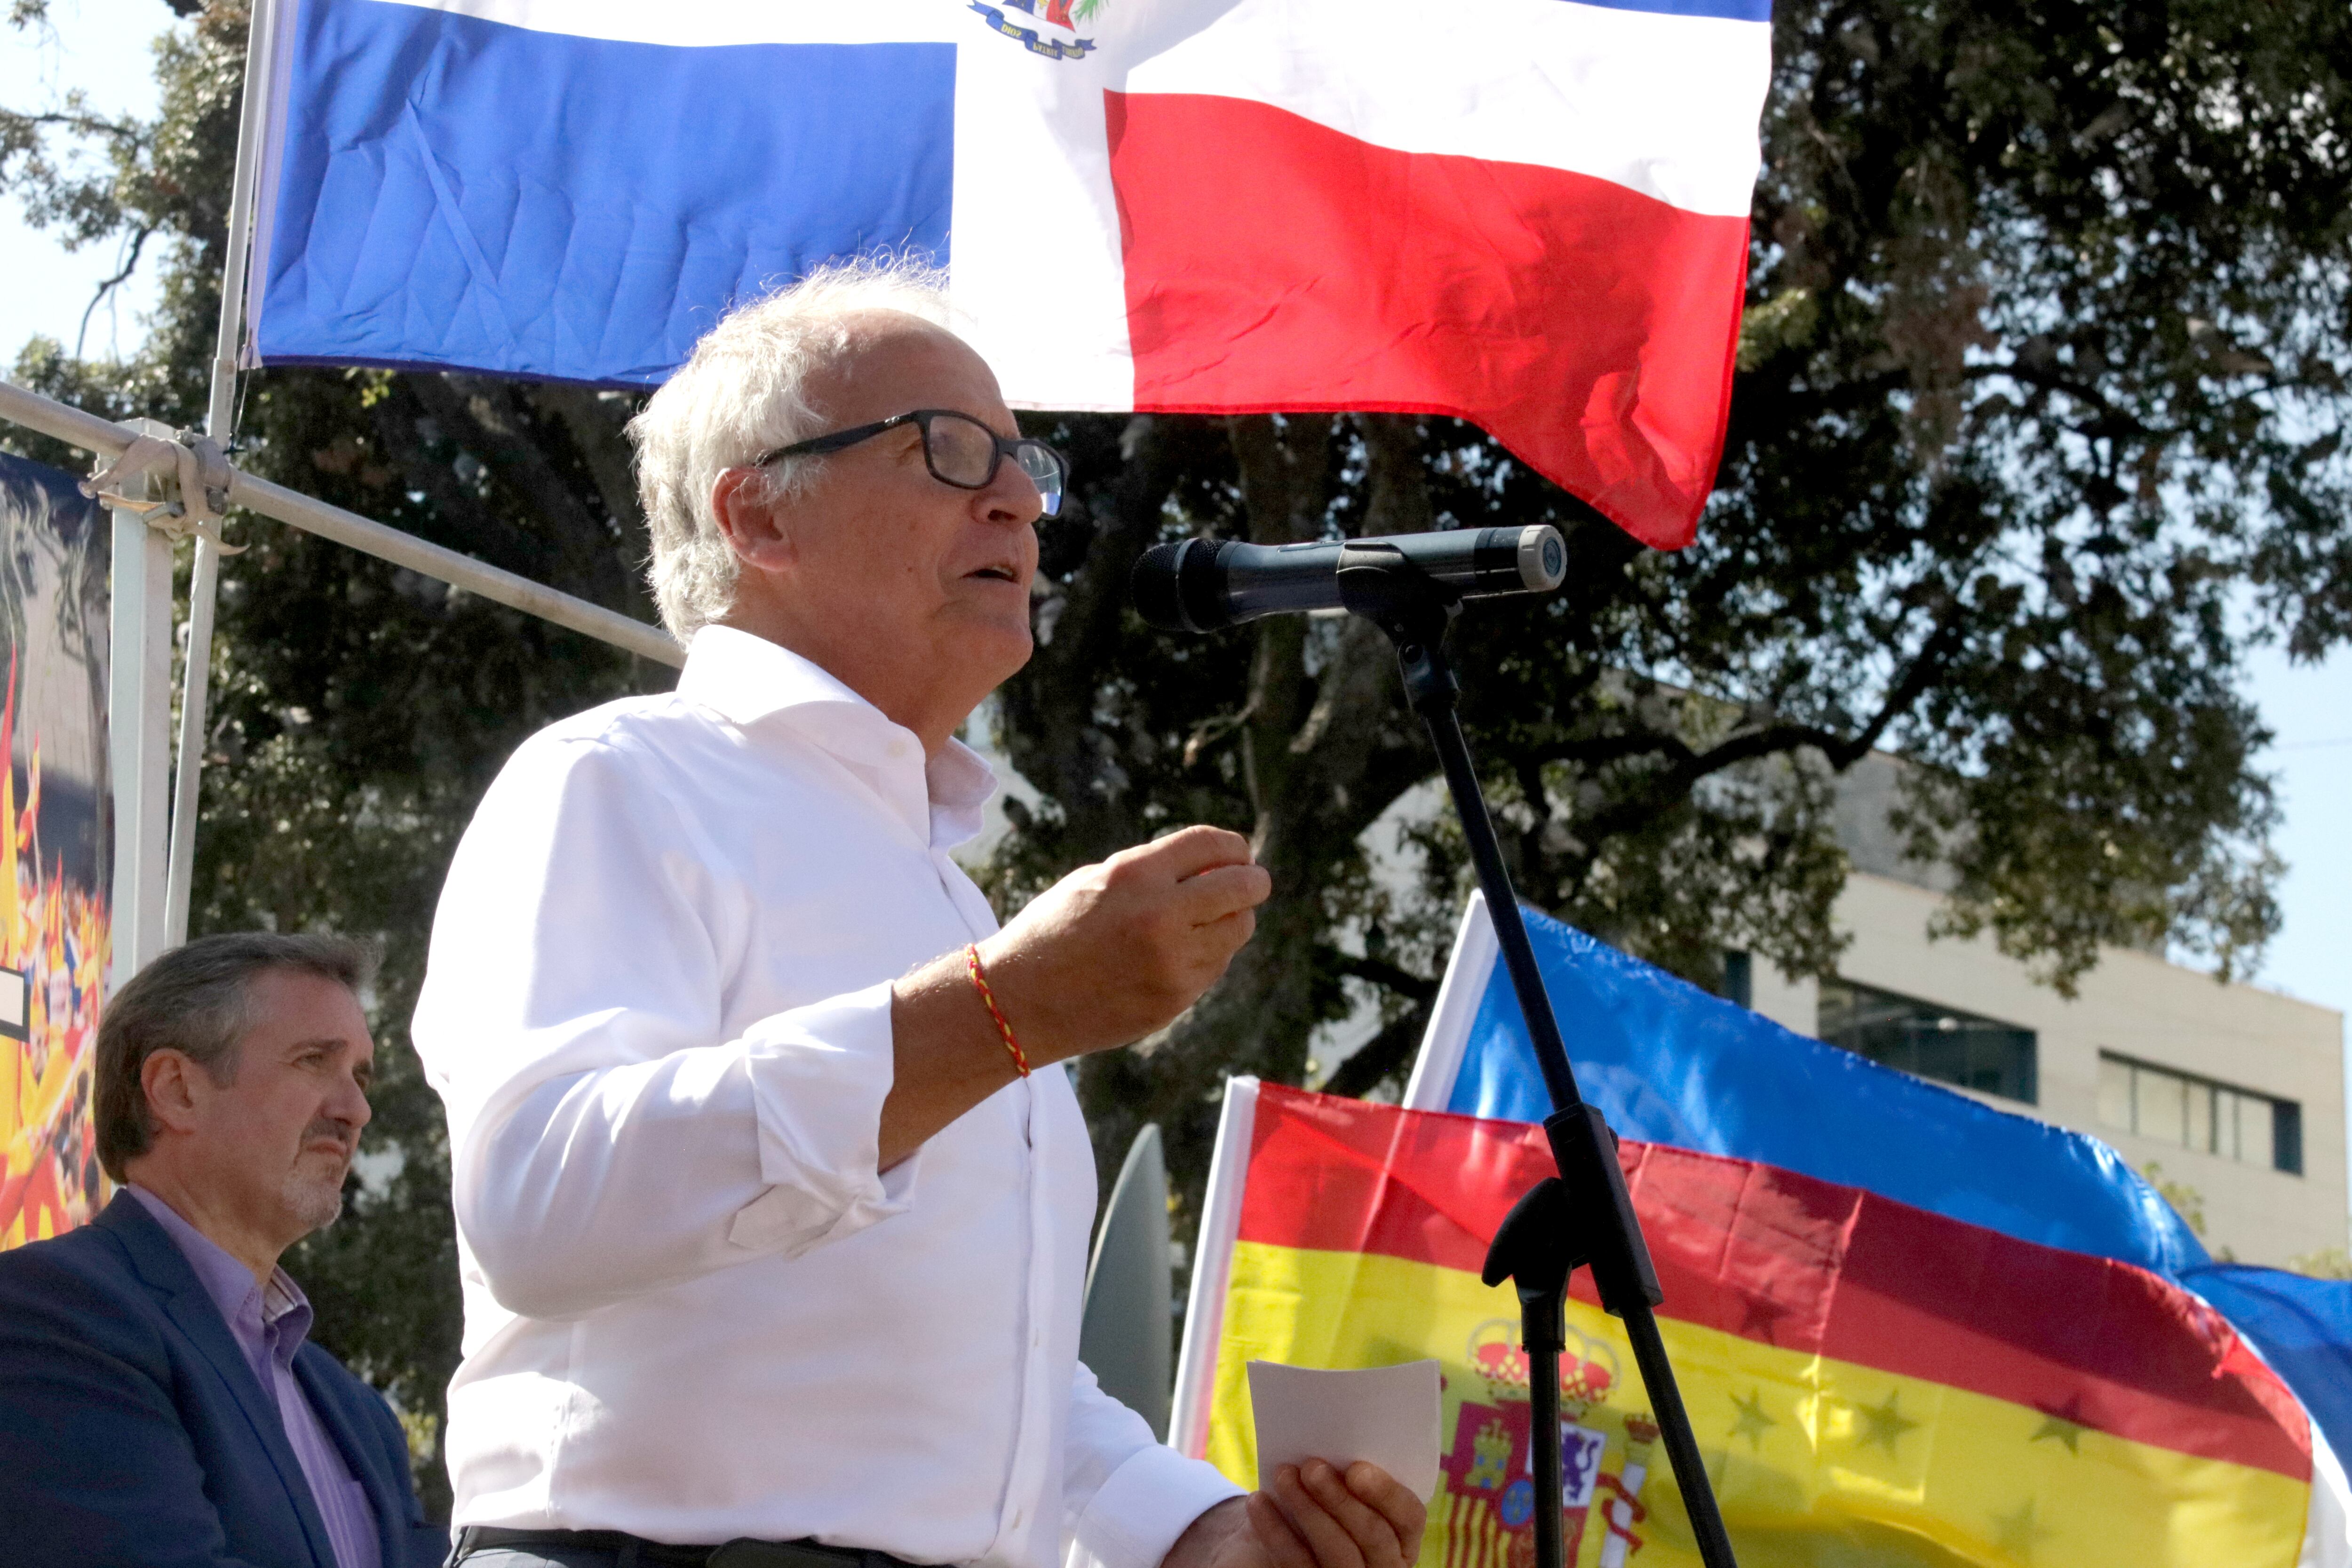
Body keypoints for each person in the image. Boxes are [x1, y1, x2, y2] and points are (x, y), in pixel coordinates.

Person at [411, 261, 1428, 1568]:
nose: (1019, 499)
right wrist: (999, 1011)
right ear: (758, 515)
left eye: (1023, 463)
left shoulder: (947, 891)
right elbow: (541, 1199)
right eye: (946, 450)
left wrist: (1198, 1526)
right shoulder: (617, 776)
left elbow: (978, 1368)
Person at [0, 932, 447, 1568]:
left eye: (360, 1076)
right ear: (177, 1089)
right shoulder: (51, 1313)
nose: (357, 1109)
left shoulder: (359, 1413)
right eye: (314, 1061)